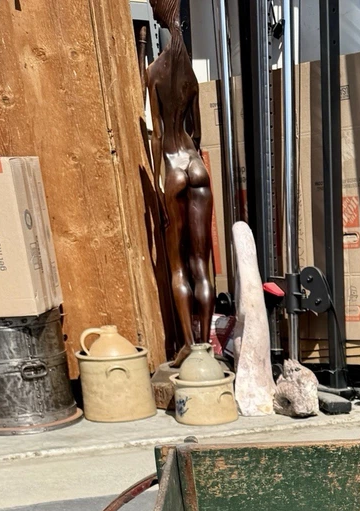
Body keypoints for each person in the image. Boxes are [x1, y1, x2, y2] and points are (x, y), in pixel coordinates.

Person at [146, 0, 214, 358]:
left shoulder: (154, 70)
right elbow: (198, 131)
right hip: (195, 163)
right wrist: (194, 161)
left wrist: (160, 178)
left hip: (172, 164)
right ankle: (208, 344)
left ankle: (190, 345)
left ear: (158, 13)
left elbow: (158, 135)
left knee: (176, 264)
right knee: (202, 263)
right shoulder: (189, 69)